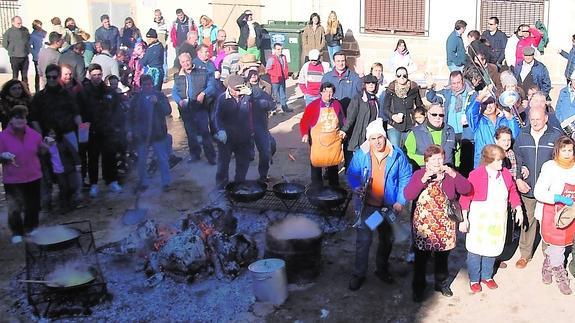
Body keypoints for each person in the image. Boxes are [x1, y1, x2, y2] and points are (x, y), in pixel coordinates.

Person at [347, 118, 412, 291]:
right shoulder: (361, 154)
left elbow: (406, 177)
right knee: (364, 240)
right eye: (373, 138)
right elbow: (352, 174)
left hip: (388, 207)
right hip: (369, 208)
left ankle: (381, 269)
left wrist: (400, 201)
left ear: (385, 137)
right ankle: (359, 273)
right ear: (368, 140)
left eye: (380, 138)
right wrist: (356, 187)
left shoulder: (396, 154)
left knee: (386, 239)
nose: (377, 142)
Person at [404, 145, 471, 301]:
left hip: (445, 223)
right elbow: (408, 194)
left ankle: (441, 283)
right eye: (433, 159)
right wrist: (423, 179)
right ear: (426, 161)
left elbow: (466, 189)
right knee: (421, 259)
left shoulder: (449, 175)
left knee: (442, 257)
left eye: (440, 158)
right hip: (424, 226)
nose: (437, 162)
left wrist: (453, 174)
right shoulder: (419, 174)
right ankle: (418, 288)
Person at [459, 144, 522, 293]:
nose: (502, 163)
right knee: (476, 248)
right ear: (488, 161)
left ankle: (487, 276)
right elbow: (465, 197)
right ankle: (474, 278)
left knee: (492, 247)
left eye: (501, 160)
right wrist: (464, 218)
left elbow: (512, 191)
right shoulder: (476, 174)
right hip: (480, 217)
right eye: (498, 160)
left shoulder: (506, 174)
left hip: (498, 217)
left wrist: (518, 208)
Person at [513, 104, 563, 269]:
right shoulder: (523, 136)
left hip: (549, 190)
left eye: (538, 119)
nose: (534, 122)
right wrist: (519, 178)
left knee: (548, 222)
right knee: (527, 220)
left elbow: (562, 161)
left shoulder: (556, 136)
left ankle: (547, 254)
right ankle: (525, 254)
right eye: (532, 119)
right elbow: (517, 159)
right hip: (528, 187)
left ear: (546, 118)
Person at [534, 136, 575, 295]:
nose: (567, 154)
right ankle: (560, 274)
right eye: (563, 150)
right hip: (552, 212)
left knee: (562, 244)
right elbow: (539, 192)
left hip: (570, 213)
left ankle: (547, 263)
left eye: (570, 150)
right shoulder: (550, 167)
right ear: (557, 151)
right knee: (557, 245)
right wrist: (557, 197)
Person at [0, 106, 45, 243]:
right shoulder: (2, 137)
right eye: (17, 117)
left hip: (33, 175)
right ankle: (17, 232)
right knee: (15, 206)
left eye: (23, 117)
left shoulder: (34, 135)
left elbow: (40, 151)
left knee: (33, 205)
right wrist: (3, 156)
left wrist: (47, 146)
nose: (20, 120)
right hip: (13, 178)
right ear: (11, 120)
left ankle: (31, 227)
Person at [78, 63, 124, 197]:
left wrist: (117, 126)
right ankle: (93, 183)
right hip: (92, 131)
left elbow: (117, 109)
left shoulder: (109, 92)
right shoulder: (84, 93)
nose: (97, 77)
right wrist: (84, 128)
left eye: (99, 75)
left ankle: (112, 181)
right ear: (89, 75)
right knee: (92, 158)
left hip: (108, 129)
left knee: (110, 156)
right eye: (94, 75)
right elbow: (80, 112)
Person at [426, 70, 475, 174]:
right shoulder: (446, 93)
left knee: (466, 157)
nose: (456, 86)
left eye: (458, 83)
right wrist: (430, 86)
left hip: (466, 130)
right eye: (453, 83)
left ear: (463, 81)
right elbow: (431, 98)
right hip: (450, 129)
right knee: (450, 156)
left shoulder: (471, 94)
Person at [127, 75, 171, 191]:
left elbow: (168, 111)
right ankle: (144, 182)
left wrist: (158, 103)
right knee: (142, 160)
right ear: (141, 86)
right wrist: (130, 131)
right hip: (142, 135)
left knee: (162, 158)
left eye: (150, 84)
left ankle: (166, 182)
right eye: (145, 85)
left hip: (158, 133)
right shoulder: (136, 99)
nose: (148, 87)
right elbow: (130, 117)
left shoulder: (159, 96)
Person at [172, 52, 217, 165]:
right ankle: (195, 155)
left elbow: (212, 86)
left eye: (187, 60)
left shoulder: (202, 72)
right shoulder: (178, 76)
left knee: (204, 132)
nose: (186, 63)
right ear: (180, 63)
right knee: (191, 134)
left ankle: (211, 157)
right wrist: (179, 101)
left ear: (191, 60)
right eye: (183, 62)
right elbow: (174, 92)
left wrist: (203, 93)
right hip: (186, 108)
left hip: (200, 107)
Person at [300, 82, 346, 188]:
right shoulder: (313, 105)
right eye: (325, 91)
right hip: (317, 141)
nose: (328, 94)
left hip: (333, 140)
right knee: (316, 162)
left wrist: (344, 131)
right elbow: (304, 121)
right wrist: (305, 133)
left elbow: (342, 119)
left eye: (331, 91)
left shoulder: (337, 104)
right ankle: (316, 185)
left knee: (333, 162)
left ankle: (334, 185)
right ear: (321, 92)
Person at [213, 74, 255, 189]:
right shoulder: (222, 98)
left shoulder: (247, 96)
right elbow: (216, 117)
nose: (238, 92)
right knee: (223, 163)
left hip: (244, 136)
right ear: (229, 88)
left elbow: (264, 103)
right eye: (236, 89)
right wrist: (220, 130)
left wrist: (252, 93)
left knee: (243, 163)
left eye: (240, 89)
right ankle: (221, 186)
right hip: (226, 137)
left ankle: (239, 184)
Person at [466, 85, 520, 167]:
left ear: (495, 103)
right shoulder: (478, 121)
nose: (488, 106)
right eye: (484, 103)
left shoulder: (505, 119)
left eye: (490, 102)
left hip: (503, 163)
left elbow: (515, 136)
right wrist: (480, 96)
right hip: (483, 164)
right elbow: (470, 112)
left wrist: (510, 118)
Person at [494, 126, 518, 269]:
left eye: (508, 140)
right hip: (496, 197)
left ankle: (498, 255)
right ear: (496, 140)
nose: (507, 143)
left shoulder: (511, 154)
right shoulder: (491, 154)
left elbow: (513, 174)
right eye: (503, 140)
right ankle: (491, 258)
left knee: (506, 226)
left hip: (509, 195)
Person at [382, 67, 424, 148]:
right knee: (395, 149)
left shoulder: (414, 88)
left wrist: (418, 118)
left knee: (409, 149)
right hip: (394, 125)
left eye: (404, 75)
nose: (402, 77)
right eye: (399, 75)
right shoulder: (391, 89)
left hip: (409, 125)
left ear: (407, 76)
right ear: (395, 76)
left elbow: (419, 106)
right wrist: (393, 116)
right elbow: (385, 109)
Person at [405, 103, 457, 168]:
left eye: (441, 115)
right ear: (427, 114)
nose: (437, 117)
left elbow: (456, 152)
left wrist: (456, 170)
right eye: (434, 115)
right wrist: (429, 160)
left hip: (448, 172)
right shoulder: (415, 132)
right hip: (424, 172)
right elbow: (408, 154)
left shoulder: (450, 130)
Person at [341, 74, 381, 159]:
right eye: (368, 83)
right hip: (359, 135)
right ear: (364, 85)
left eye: (373, 83)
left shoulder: (376, 100)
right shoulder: (358, 99)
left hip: (370, 136)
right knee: (357, 162)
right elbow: (350, 117)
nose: (371, 85)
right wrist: (344, 130)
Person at [45, 129, 81, 213]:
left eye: (54, 133)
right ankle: (64, 206)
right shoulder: (45, 145)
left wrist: (77, 163)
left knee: (73, 186)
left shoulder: (63, 141)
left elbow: (73, 151)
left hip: (68, 168)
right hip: (57, 171)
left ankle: (70, 201)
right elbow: (44, 159)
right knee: (63, 187)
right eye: (50, 134)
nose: (52, 136)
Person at [2, 16, 30, 84]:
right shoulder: (9, 32)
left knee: (25, 76)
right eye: (18, 23)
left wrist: (27, 50)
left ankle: (25, 90)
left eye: (21, 23)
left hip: (24, 56)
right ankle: (14, 90)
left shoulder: (25, 30)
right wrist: (12, 50)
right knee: (15, 76)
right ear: (13, 23)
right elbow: (5, 44)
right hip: (14, 57)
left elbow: (28, 40)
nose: (20, 24)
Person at [266, 43, 293, 113]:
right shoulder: (271, 58)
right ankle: (273, 109)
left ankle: (284, 107)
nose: (280, 51)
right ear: (274, 50)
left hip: (282, 78)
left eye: (281, 49)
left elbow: (285, 66)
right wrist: (275, 75)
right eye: (278, 49)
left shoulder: (283, 57)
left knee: (283, 94)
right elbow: (268, 69)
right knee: (274, 95)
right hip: (275, 79)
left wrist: (285, 75)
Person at [152, 9, 169, 83]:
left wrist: (167, 42)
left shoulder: (165, 23)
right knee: (156, 61)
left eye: (158, 15)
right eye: (156, 15)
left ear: (161, 15)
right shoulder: (152, 23)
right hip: (155, 46)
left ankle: (165, 76)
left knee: (164, 61)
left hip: (163, 45)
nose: (157, 16)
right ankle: (157, 75)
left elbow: (169, 34)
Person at [30, 20, 46, 93]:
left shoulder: (44, 33)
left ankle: (45, 88)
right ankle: (37, 89)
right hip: (37, 56)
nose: (40, 26)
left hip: (45, 55)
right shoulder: (32, 35)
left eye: (40, 25)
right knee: (38, 74)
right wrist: (34, 53)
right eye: (38, 25)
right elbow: (29, 46)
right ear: (34, 26)